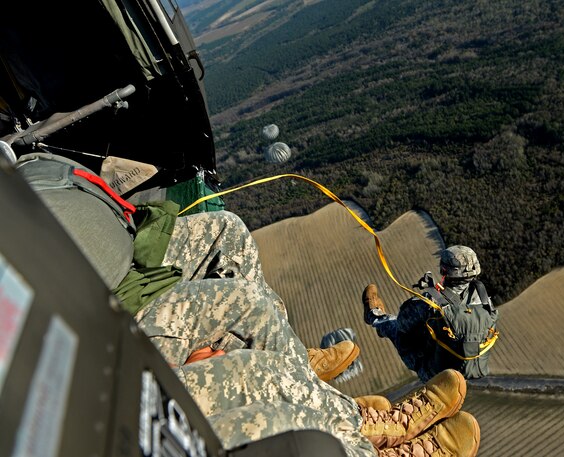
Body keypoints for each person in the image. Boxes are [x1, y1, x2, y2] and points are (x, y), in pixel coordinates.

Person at [15, 152, 481, 456]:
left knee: (246, 293)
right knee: (274, 400)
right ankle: (363, 439)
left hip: (79, 342)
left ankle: (327, 395)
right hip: (82, 409)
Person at [363, 246, 499, 383]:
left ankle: (373, 315)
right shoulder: (484, 299)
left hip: (433, 373)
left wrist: (429, 295)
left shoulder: (430, 302)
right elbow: (458, 305)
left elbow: (403, 322)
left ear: (443, 270)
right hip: (471, 368)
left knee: (393, 325)